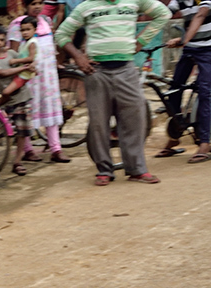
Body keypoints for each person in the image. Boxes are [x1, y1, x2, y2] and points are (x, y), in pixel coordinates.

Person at [55, 0, 169, 185]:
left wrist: (140, 41)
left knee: (135, 119)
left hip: (126, 69)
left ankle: (137, 169)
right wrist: (78, 57)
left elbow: (163, 14)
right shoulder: (86, 6)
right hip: (96, 71)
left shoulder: (134, 1)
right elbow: (61, 34)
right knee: (99, 124)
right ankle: (104, 170)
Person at [7, 0, 70, 163]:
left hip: (48, 76)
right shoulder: (17, 24)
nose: (37, 6)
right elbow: (13, 52)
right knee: (27, 111)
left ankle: (56, 148)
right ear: (26, 5)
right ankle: (27, 149)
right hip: (28, 76)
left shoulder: (47, 21)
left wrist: (55, 62)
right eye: (33, 3)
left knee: (51, 109)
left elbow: (50, 46)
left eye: (40, 2)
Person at [157, 0, 211, 163]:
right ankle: (175, 135)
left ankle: (204, 143)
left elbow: (200, 15)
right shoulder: (179, 1)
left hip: (208, 49)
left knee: (205, 93)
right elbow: (164, 14)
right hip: (189, 48)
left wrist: (183, 39)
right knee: (173, 91)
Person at [0, 26, 36, 175]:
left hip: (21, 97)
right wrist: (23, 68)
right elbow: (2, 73)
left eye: (1, 39)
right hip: (2, 102)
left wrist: (30, 67)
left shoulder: (12, 54)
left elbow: (26, 69)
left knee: (22, 132)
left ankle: (17, 162)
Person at [0, 16, 38, 105]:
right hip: (21, 71)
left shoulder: (32, 43)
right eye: (23, 30)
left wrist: (15, 61)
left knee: (6, 92)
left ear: (35, 30)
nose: (25, 32)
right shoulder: (26, 42)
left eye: (28, 29)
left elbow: (31, 58)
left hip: (24, 74)